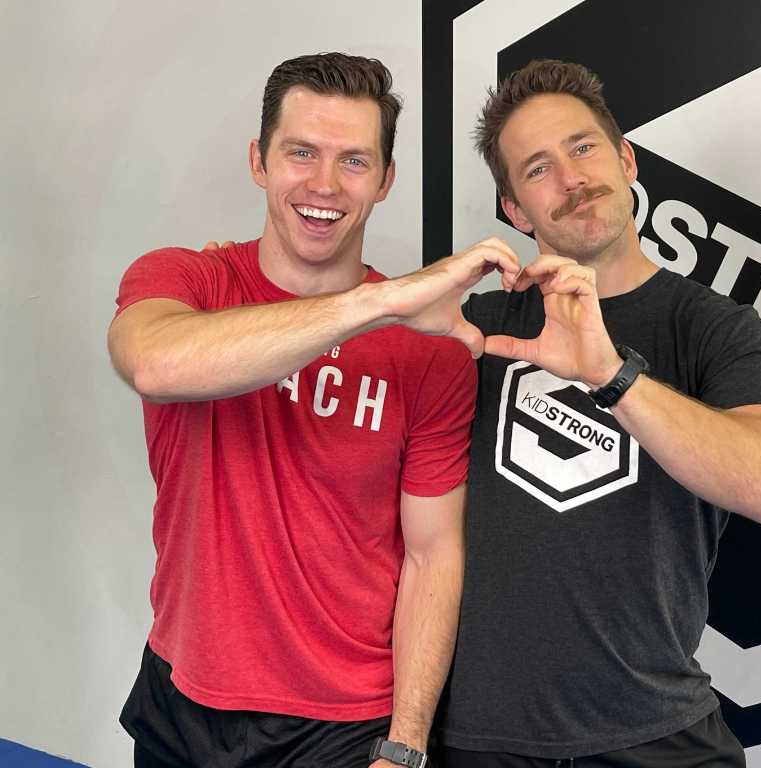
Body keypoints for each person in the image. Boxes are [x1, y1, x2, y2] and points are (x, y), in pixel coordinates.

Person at [108, 53, 522, 768]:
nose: (324, 185)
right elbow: (153, 363)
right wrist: (376, 303)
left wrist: (406, 744)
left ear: (385, 180)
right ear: (259, 161)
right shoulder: (184, 280)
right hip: (181, 698)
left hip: (340, 726)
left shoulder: (429, 350)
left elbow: (431, 555)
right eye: (301, 152)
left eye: (354, 160)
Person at [433, 59, 761, 767]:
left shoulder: (714, 328)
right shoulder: (474, 330)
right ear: (515, 211)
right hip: (481, 741)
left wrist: (611, 375)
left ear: (626, 159)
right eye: (538, 168)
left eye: (583, 147)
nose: (571, 178)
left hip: (656, 734)